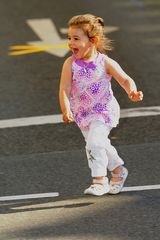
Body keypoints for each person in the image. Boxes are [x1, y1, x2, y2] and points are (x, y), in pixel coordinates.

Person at [59, 14, 143, 196]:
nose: (70, 43)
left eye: (76, 39)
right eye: (69, 38)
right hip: (82, 112)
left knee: (94, 143)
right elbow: (64, 87)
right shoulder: (69, 64)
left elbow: (125, 79)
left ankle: (99, 180)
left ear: (93, 41)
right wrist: (66, 108)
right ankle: (119, 171)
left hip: (104, 110)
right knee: (99, 144)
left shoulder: (104, 62)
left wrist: (132, 91)